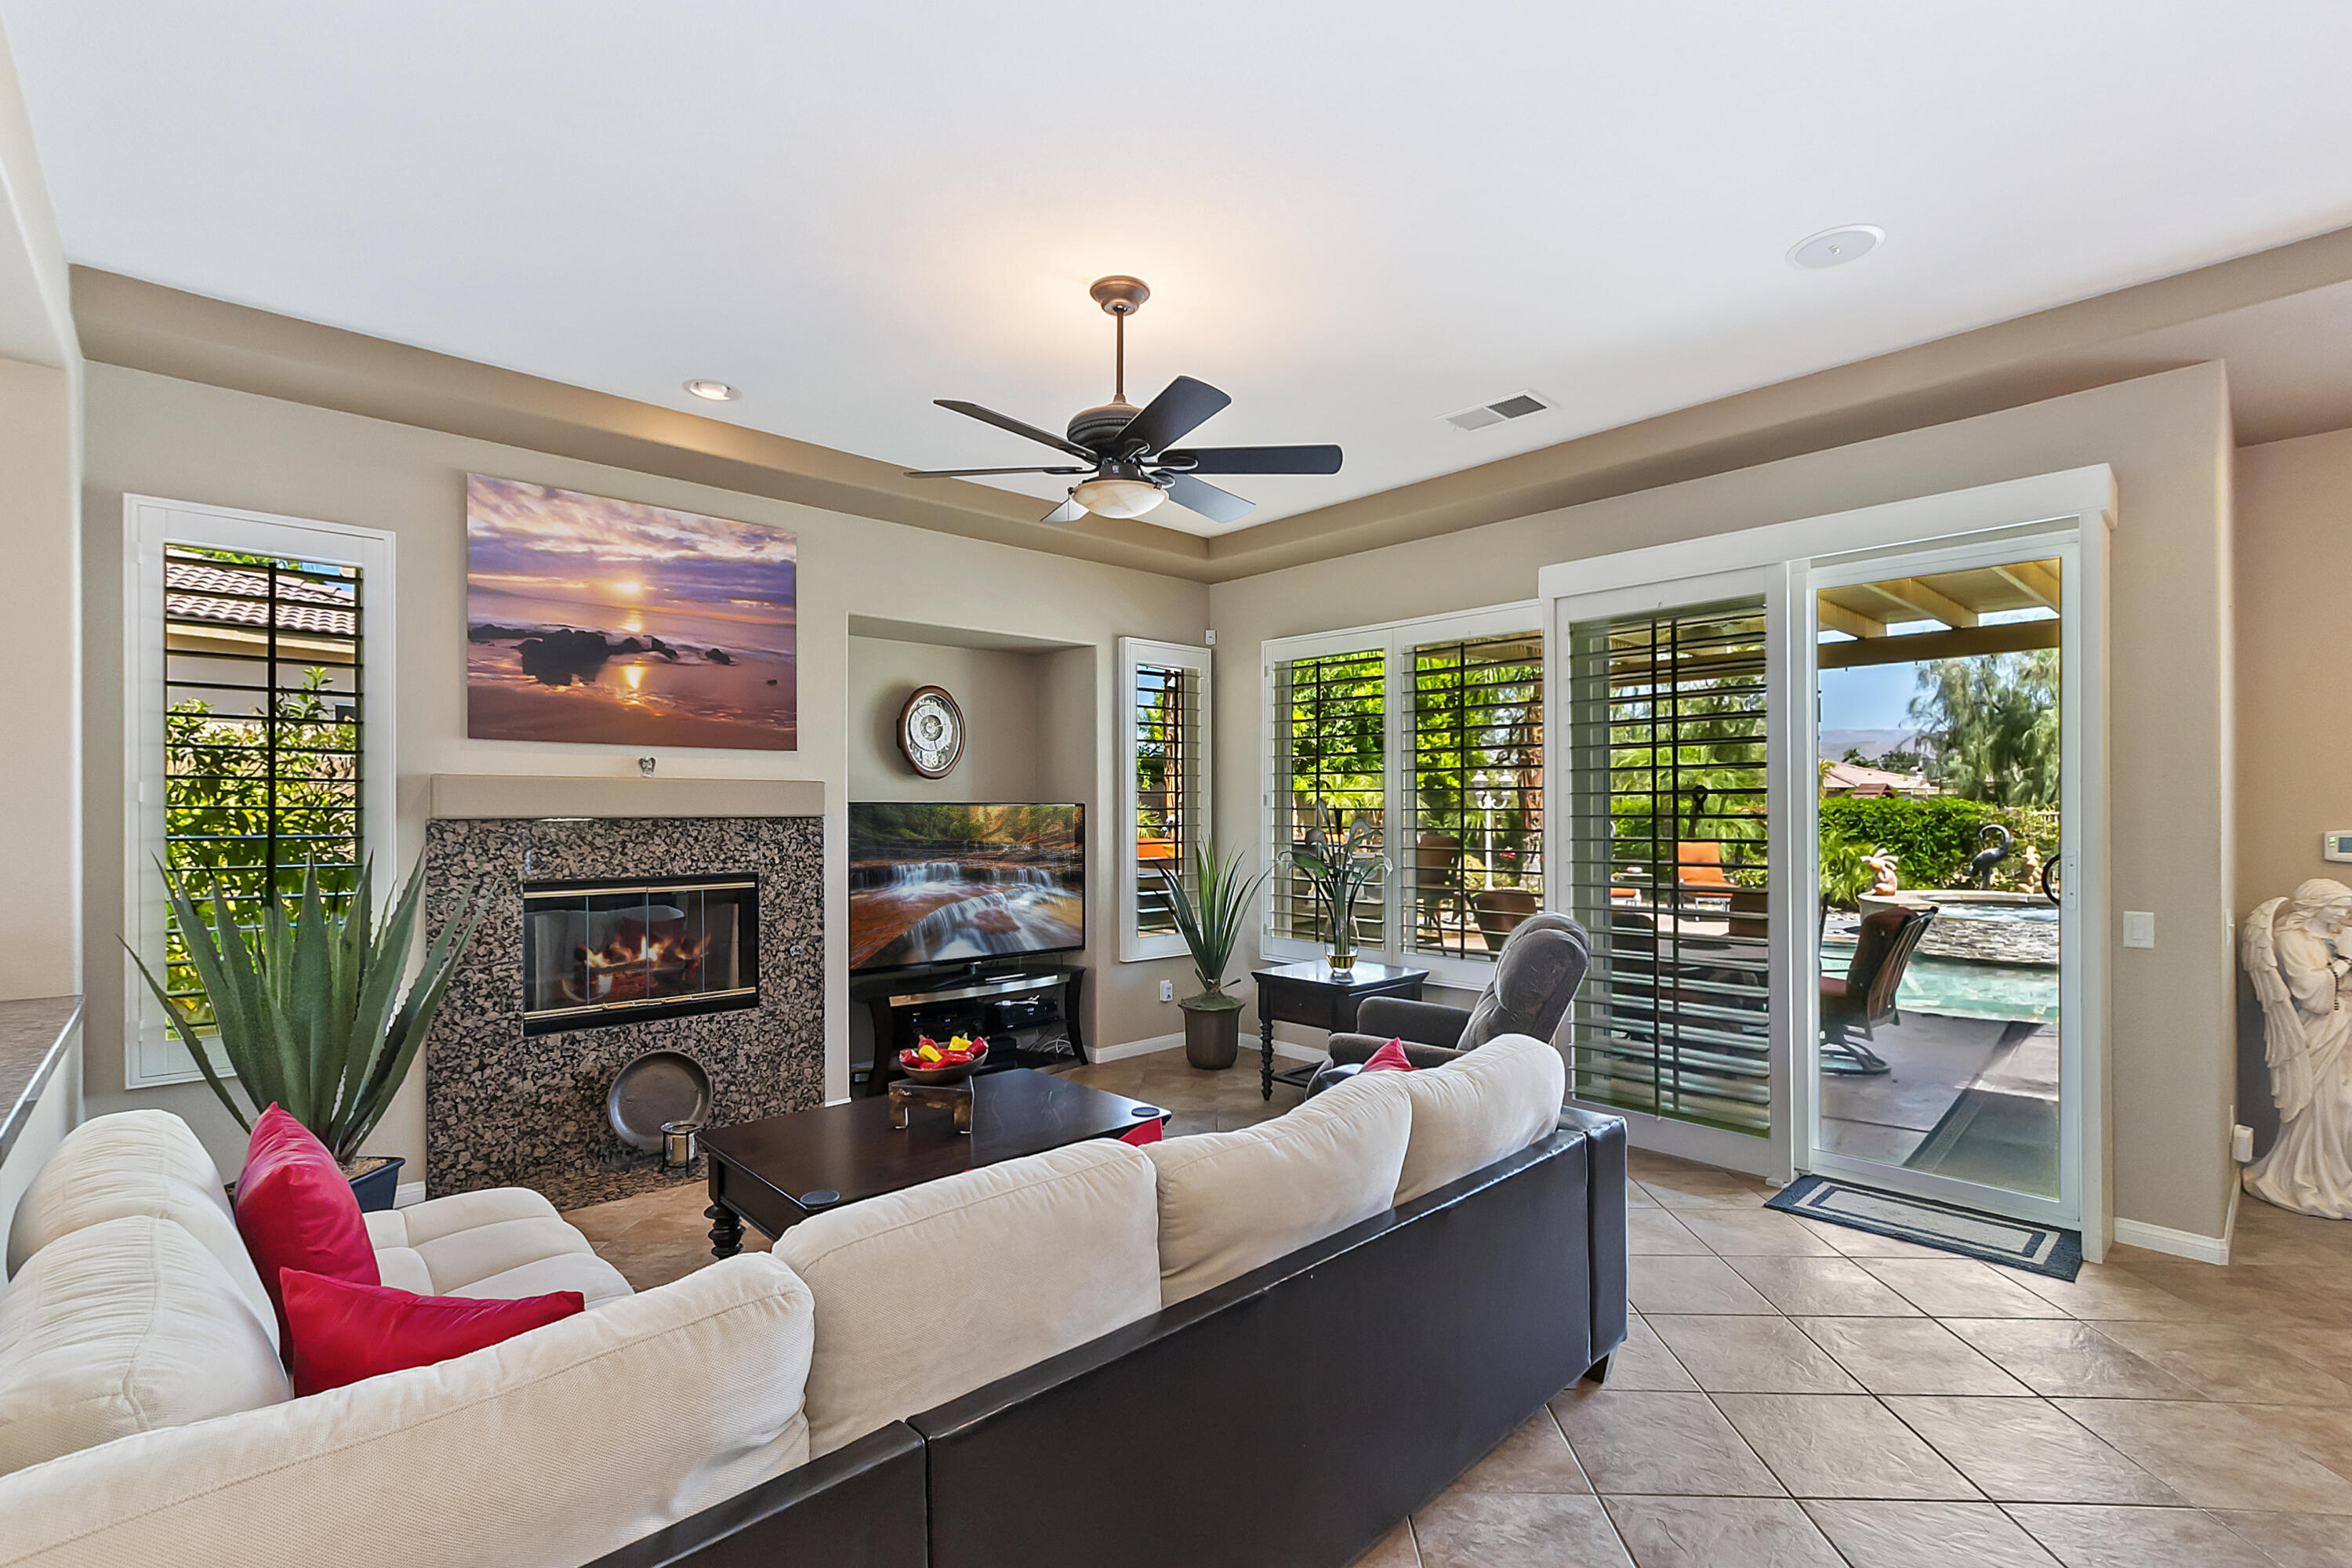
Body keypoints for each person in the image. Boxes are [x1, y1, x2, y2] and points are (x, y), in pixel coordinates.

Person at [2243, 878, 2352, 1216]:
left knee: (2346, 1107)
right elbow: (2311, 991)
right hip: (2316, 1030)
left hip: (2345, 1023)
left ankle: (2338, 1175)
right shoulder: (2290, 939)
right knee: (2324, 1104)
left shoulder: (2341, 935)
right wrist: (2345, 962)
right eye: (2339, 906)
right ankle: (2306, 1176)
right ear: (2315, 906)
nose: (2345, 913)